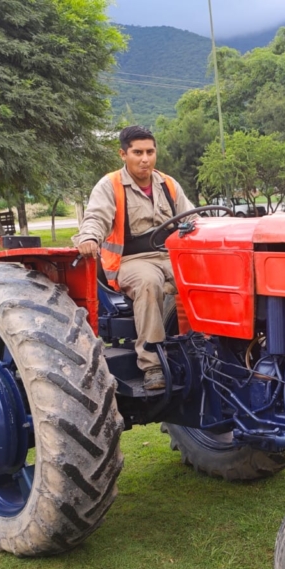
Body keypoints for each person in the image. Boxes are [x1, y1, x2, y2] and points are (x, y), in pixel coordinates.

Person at [74, 125, 196, 390]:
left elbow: (193, 219)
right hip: (131, 261)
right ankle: (152, 365)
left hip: (169, 256)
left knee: (206, 277)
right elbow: (96, 217)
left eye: (150, 152)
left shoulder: (168, 185)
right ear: (123, 154)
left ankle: (205, 348)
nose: (145, 159)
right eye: (138, 152)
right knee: (149, 283)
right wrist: (89, 238)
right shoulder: (110, 185)